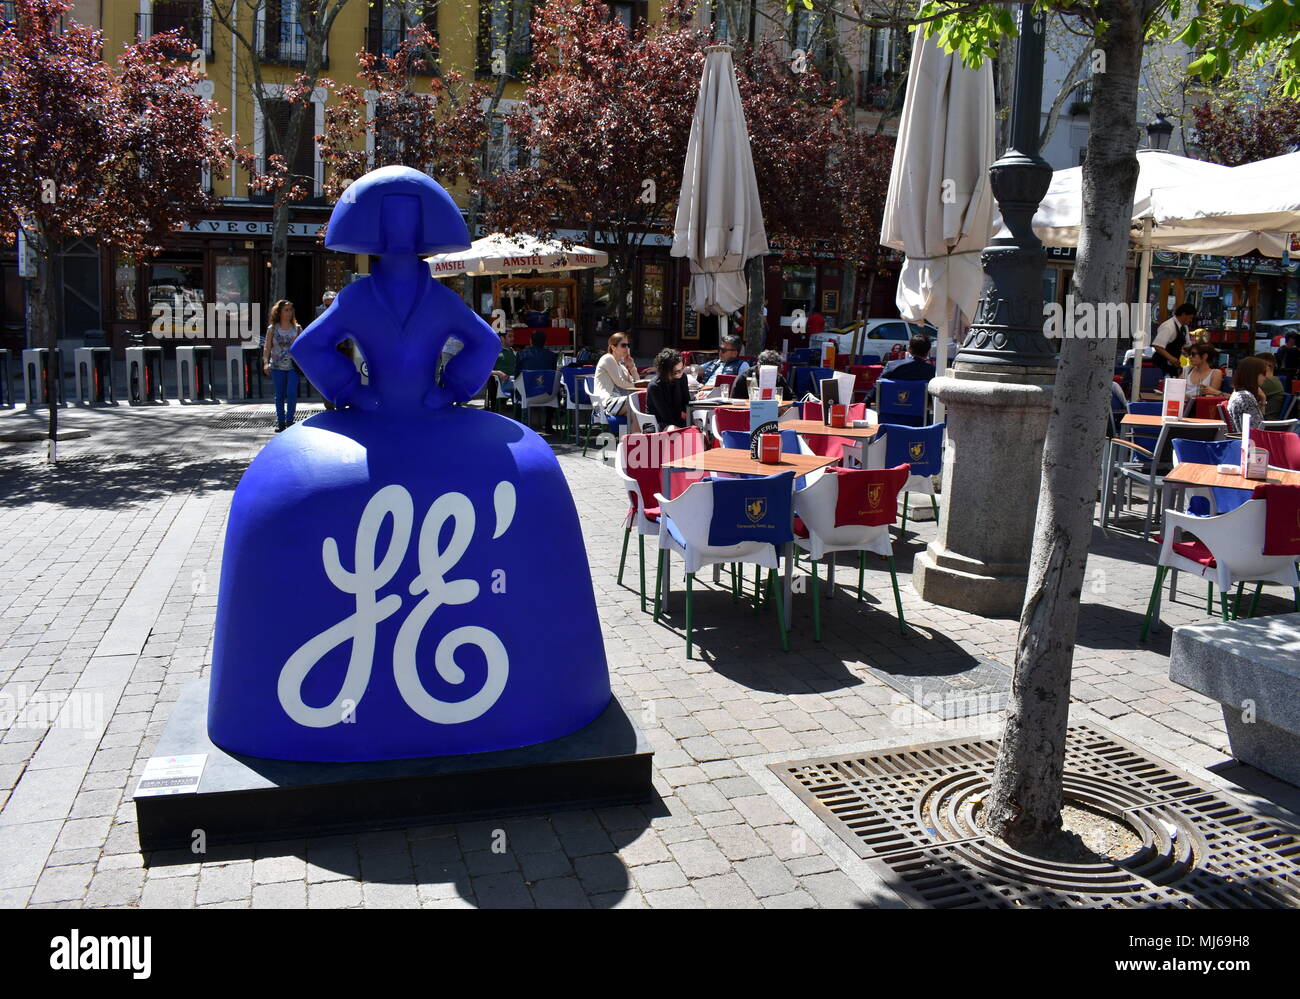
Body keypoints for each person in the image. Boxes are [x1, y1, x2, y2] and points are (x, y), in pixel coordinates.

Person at [263, 299, 302, 432]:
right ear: (279, 312)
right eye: (286, 310)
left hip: (293, 366)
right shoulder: (272, 329)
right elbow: (267, 348)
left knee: (291, 393)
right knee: (279, 395)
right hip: (276, 367)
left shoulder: (297, 328)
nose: (289, 312)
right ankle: (281, 422)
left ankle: (290, 421)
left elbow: (303, 348)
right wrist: (265, 363)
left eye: (291, 310)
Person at [593, 332, 640, 417]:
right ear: (613, 347)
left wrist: (632, 367)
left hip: (616, 402)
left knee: (636, 413)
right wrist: (639, 388)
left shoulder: (620, 364)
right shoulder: (608, 358)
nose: (627, 348)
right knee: (638, 402)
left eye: (628, 345)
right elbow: (621, 383)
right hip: (603, 404)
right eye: (623, 345)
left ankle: (637, 430)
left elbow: (635, 382)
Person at [645, 348, 690, 431]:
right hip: (656, 424)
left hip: (676, 421)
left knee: (698, 431)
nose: (680, 373)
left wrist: (696, 400)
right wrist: (685, 428)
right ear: (666, 371)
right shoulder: (655, 386)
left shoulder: (682, 378)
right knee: (674, 429)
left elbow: (686, 403)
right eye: (676, 372)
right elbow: (665, 415)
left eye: (682, 369)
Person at [1151, 303, 1197, 377]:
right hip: (1160, 364)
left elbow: (1187, 345)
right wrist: (1171, 358)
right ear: (1183, 314)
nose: (1191, 320)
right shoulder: (1168, 326)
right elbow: (1157, 346)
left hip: (1173, 364)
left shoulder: (1184, 327)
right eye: (1190, 318)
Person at [1225, 355, 1268, 432]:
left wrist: (1263, 400)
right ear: (1253, 374)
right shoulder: (1245, 397)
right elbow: (1257, 429)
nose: (1266, 377)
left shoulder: (1238, 393)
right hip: (1250, 441)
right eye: (1264, 373)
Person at [488, 327, 517, 413]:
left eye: (513, 336)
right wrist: (498, 373)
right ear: (502, 338)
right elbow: (485, 371)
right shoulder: (495, 352)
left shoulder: (512, 351)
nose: (513, 339)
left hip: (515, 383)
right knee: (491, 379)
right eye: (510, 336)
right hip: (500, 384)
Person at [1254, 352, 1285, 419]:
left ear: (1267, 366)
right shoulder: (1272, 380)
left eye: (1256, 365)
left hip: (1265, 421)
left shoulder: (1269, 381)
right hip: (1261, 419)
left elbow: (1246, 396)